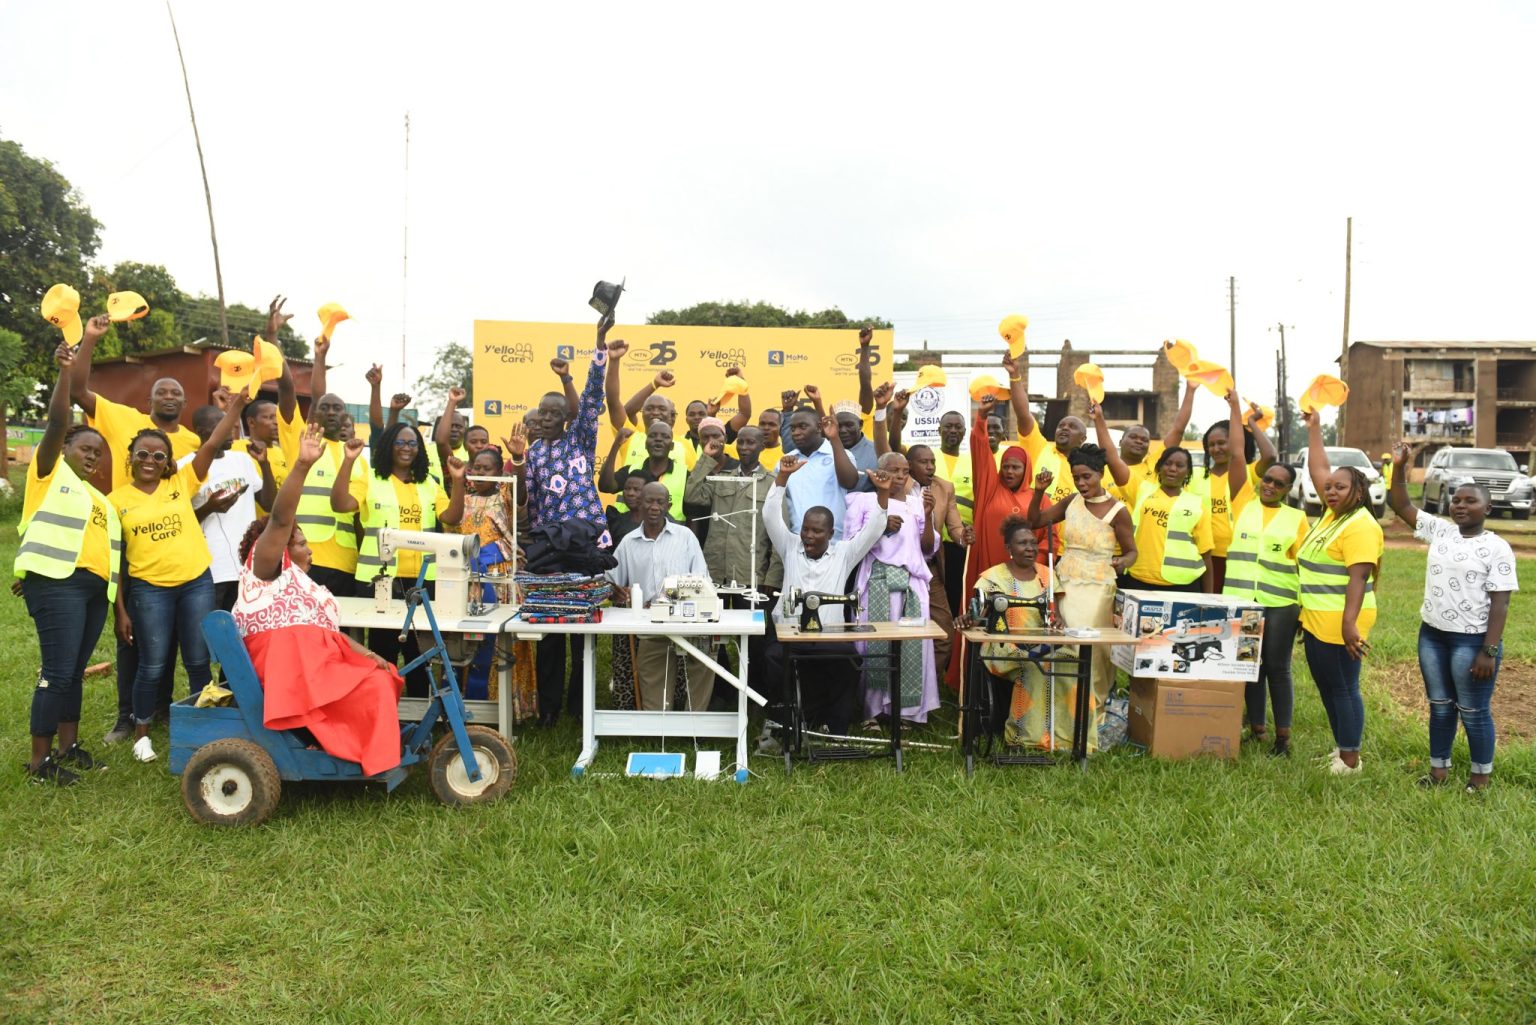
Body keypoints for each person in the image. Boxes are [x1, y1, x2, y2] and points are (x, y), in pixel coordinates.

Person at [233, 422, 406, 776]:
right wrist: (302, 465)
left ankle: (359, 753)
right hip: (292, 674)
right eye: (300, 543)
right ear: (279, 548)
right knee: (371, 685)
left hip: (314, 667)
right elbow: (280, 519)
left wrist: (370, 655)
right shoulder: (266, 569)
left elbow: (328, 633)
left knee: (384, 674)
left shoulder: (304, 584)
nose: (309, 549)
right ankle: (345, 750)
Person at [69, 309, 199, 743]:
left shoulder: (191, 442)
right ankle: (127, 716)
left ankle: (160, 708)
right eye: (162, 391)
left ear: (184, 403)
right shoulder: (124, 419)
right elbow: (79, 390)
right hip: (128, 534)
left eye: (176, 393)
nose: (169, 397)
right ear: (150, 400)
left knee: (171, 635)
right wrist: (90, 338)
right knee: (132, 638)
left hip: (174, 547)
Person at [111, 387, 250, 763]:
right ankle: (142, 734)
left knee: (198, 660)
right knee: (153, 664)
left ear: (168, 462)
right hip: (149, 589)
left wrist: (237, 405)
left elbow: (214, 441)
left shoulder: (181, 482)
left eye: (159, 455)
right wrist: (120, 611)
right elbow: (114, 562)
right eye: (143, 454)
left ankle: (201, 729)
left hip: (195, 583)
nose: (150, 460)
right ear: (130, 457)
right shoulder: (115, 502)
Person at [16, 335, 120, 783]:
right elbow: (58, 420)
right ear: (63, 449)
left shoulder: (100, 498)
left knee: (73, 672)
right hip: (59, 583)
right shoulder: (48, 471)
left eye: (97, 453)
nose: (92, 456)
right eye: (85, 449)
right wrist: (64, 373)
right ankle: (39, 762)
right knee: (57, 672)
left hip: (94, 591)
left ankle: (68, 746)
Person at [1387, 441, 1517, 792]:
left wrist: (1489, 650)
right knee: (1440, 706)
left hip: (1472, 642)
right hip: (1433, 635)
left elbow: (1501, 603)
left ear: (1488, 508)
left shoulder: (1497, 547)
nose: (1460, 505)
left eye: (1470, 501)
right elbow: (1400, 504)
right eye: (1456, 500)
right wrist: (1399, 466)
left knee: (1473, 711)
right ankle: (1438, 772)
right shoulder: (1441, 531)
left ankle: (1479, 779)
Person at [509, 317, 616, 726]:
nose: (550, 417)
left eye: (557, 412)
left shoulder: (581, 439)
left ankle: (580, 705)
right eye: (544, 413)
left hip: (586, 546)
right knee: (551, 627)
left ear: (567, 416)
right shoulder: (533, 454)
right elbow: (525, 500)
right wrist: (518, 460)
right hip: (551, 548)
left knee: (583, 629)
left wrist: (595, 346)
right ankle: (550, 709)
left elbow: (592, 396)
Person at [331, 421, 464, 697]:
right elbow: (340, 504)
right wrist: (348, 461)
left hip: (422, 580)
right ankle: (381, 703)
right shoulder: (370, 479)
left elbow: (451, 518)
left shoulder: (429, 483)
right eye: (400, 442)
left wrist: (459, 480)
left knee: (419, 651)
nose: (407, 448)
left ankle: (418, 706)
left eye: (412, 443)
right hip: (378, 580)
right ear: (389, 446)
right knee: (382, 649)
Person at [762, 460, 894, 737]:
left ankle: (836, 726)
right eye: (806, 529)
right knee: (772, 660)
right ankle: (786, 719)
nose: (809, 536)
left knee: (849, 663)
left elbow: (873, 529)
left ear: (831, 534)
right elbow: (770, 515)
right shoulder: (789, 546)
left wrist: (883, 493)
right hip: (790, 634)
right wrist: (782, 477)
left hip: (829, 636)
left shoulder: (844, 554)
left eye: (817, 531)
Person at [1297, 410, 1384, 774]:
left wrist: (1350, 624)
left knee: (1344, 688)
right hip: (1318, 617)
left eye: (1340, 487)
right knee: (1328, 686)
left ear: (1358, 491)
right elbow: (1319, 468)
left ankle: (1350, 759)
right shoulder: (1334, 516)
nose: (1331, 491)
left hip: (1341, 620)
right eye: (1328, 488)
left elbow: (1358, 578)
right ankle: (1342, 749)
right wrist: (1315, 429)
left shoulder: (1360, 525)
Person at [1025, 442, 1137, 721]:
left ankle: (1091, 714)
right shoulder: (1071, 501)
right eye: (1076, 478)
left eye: (1087, 476)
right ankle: (1061, 712)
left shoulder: (1118, 511)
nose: (1081, 483)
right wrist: (1038, 492)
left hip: (1098, 587)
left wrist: (1123, 562)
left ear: (1101, 474)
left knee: (1090, 649)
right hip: (1065, 583)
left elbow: (1132, 551)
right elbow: (1035, 520)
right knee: (1061, 644)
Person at [964, 522, 1078, 749]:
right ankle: (1025, 738)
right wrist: (968, 618)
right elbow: (977, 615)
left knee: (1072, 662)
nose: (1030, 548)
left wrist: (1057, 621)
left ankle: (1068, 737)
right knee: (1034, 666)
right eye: (1022, 543)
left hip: (1041, 643)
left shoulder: (1046, 575)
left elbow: (1055, 614)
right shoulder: (993, 577)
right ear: (1009, 547)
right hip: (1003, 647)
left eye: (1033, 543)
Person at [275, 300, 362, 599]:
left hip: (345, 561)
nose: (332, 412)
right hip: (302, 555)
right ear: (315, 412)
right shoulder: (301, 439)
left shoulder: (357, 458)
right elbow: (287, 388)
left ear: (346, 414)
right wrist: (276, 340)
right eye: (326, 407)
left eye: (338, 408)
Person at [1222, 462, 1309, 756]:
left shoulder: (1296, 518)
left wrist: (1304, 609)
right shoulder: (1242, 505)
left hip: (1281, 604)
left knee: (1277, 667)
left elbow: (1304, 566)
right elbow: (1237, 454)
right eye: (1267, 479)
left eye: (1279, 483)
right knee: (1250, 664)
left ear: (1288, 489)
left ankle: (1283, 738)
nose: (1270, 486)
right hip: (1245, 602)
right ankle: (1257, 729)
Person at [847, 452, 940, 725]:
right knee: (873, 645)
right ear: (880, 472)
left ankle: (904, 712)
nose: (900, 476)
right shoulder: (863, 501)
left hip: (911, 585)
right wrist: (880, 525)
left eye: (905, 471)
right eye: (894, 470)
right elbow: (851, 545)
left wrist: (929, 515)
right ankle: (872, 712)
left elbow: (927, 549)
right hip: (876, 581)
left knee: (912, 646)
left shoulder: (916, 503)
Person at [606, 482, 714, 712]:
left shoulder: (685, 537)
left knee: (704, 661)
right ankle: (659, 723)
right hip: (650, 628)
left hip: (687, 623)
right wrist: (616, 590)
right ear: (639, 503)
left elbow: (702, 580)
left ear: (668, 506)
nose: (654, 507)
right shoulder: (628, 543)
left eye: (660, 502)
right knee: (655, 707)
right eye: (649, 501)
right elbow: (611, 581)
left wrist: (673, 600)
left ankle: (694, 721)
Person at [451, 432, 536, 719]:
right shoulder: (463, 499)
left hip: (499, 579)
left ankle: (504, 709)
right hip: (467, 580)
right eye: (476, 467)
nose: (480, 473)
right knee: (466, 641)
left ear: (499, 472)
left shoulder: (505, 496)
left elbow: (522, 495)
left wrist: (518, 460)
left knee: (501, 641)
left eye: (487, 469)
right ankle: (464, 707)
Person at [186, 403, 274, 618]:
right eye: (221, 425)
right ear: (201, 431)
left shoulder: (242, 460)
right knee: (210, 630)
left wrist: (264, 465)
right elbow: (182, 522)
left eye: (231, 423)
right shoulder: (186, 465)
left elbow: (269, 503)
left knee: (243, 629)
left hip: (246, 567)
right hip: (209, 570)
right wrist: (209, 508)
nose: (231, 429)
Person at [1186, 390, 1261, 591]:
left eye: (1221, 443)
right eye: (1211, 445)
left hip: (1236, 555)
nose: (1216, 448)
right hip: (1202, 554)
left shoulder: (1245, 473)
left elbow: (1270, 456)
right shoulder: (1195, 477)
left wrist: (1250, 422)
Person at [1121, 445, 1214, 593]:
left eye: (1179, 465)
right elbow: (1114, 462)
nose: (1172, 469)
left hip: (1183, 586)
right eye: (1168, 463)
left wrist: (1209, 597)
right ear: (1159, 467)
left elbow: (1206, 554)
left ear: (1188, 472)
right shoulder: (1142, 490)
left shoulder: (1197, 503)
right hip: (1138, 580)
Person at [781, 409, 859, 533]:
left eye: (802, 427)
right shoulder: (785, 462)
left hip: (833, 539)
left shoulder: (840, 455)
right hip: (795, 539)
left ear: (818, 427)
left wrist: (834, 438)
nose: (796, 433)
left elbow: (850, 483)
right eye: (793, 429)